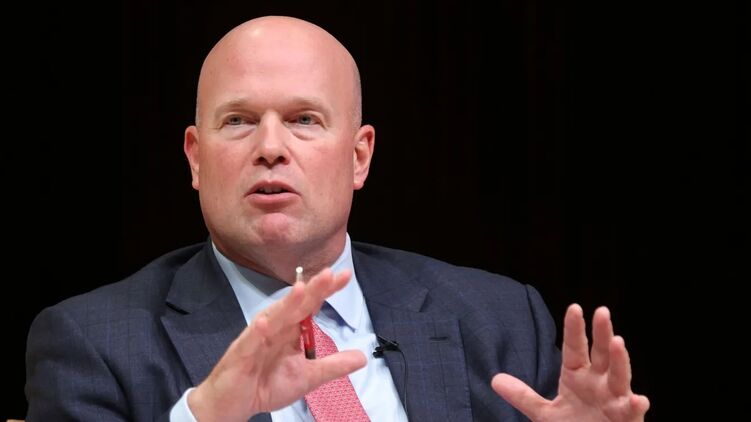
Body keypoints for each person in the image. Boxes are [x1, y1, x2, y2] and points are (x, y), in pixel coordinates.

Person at [25, 15, 649, 422]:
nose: (270, 147)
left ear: (359, 157)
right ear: (195, 158)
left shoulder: (500, 320)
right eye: (239, 121)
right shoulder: (92, 344)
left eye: (304, 119)